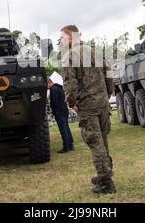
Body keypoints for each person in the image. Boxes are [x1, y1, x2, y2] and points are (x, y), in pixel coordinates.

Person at [60, 25, 116, 194]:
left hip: (88, 106)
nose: (61, 41)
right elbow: (109, 76)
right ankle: (105, 175)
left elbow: (70, 84)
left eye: (62, 37)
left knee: (94, 141)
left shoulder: (69, 56)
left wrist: (71, 102)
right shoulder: (95, 51)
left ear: (71, 37)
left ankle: (106, 182)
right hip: (102, 104)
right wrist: (106, 95)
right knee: (103, 141)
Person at [48, 79, 74, 153]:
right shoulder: (60, 88)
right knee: (67, 128)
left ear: (48, 83)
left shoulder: (53, 89)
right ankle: (71, 145)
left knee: (63, 130)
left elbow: (54, 102)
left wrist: (53, 109)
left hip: (59, 111)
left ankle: (66, 147)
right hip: (64, 110)